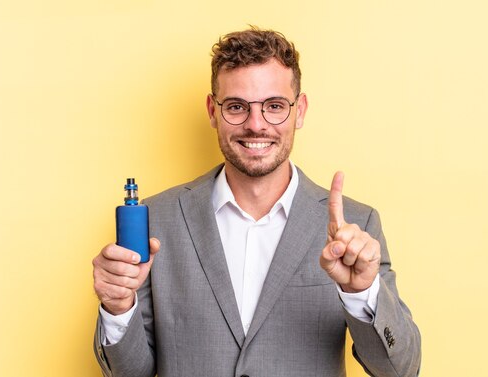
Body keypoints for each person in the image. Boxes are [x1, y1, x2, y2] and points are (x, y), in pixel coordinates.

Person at [92, 27, 421, 377]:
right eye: (236, 106)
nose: (256, 125)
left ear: (300, 110)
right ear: (212, 111)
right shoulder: (158, 219)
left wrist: (362, 293)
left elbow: (400, 370)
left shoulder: (357, 225)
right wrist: (117, 306)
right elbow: (130, 374)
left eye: (274, 106)